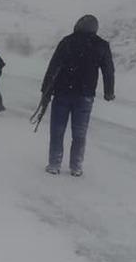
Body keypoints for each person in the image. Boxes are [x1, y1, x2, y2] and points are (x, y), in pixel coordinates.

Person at [41, 14, 115, 176]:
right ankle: (76, 167)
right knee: (80, 134)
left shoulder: (67, 41)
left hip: (62, 93)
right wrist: (109, 91)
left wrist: (45, 92)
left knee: (57, 131)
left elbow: (53, 67)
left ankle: (54, 164)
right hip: (85, 96)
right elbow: (108, 70)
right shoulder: (101, 45)